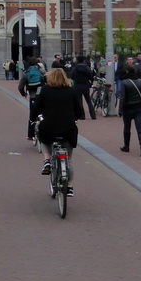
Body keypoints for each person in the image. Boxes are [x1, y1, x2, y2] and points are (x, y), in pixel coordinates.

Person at [32, 68, 80, 196]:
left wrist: (33, 118)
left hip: (49, 127)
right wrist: (73, 118)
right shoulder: (72, 91)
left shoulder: (45, 91)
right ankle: (69, 187)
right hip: (68, 129)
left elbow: (36, 108)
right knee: (68, 159)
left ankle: (47, 159)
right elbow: (80, 111)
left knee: (41, 134)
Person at [117, 67, 141, 156]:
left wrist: (120, 109)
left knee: (127, 127)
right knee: (140, 128)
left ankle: (126, 146)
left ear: (127, 71)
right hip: (139, 108)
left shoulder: (125, 82)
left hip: (128, 108)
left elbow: (123, 97)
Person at [18, 56, 44, 141]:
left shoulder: (26, 72)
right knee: (45, 113)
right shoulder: (41, 70)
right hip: (42, 95)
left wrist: (24, 94)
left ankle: (30, 135)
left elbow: (20, 87)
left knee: (32, 115)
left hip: (33, 96)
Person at [69, 54, 96, 120]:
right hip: (85, 84)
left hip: (77, 85)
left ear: (77, 60)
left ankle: (82, 116)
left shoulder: (75, 68)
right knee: (88, 101)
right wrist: (90, 83)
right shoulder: (87, 68)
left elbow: (72, 76)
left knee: (79, 101)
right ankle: (93, 115)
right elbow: (91, 76)